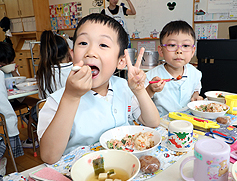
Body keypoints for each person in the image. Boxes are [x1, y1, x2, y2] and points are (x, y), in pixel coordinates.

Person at [37, 13, 160, 164]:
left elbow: (152, 122)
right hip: (83, 173)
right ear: (72, 55)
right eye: (83, 43)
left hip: (125, 165)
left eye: (103, 45)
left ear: (120, 61)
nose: (90, 52)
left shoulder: (123, 87)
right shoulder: (57, 100)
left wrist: (140, 91)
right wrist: (71, 97)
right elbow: (49, 156)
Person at [21, 30, 73, 149]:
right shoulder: (76, 69)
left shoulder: (44, 72)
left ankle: (32, 140)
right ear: (69, 51)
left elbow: (42, 98)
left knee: (33, 109)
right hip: (73, 112)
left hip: (51, 116)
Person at [145, 20, 204, 117]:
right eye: (172, 45)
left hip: (187, 122)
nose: (179, 51)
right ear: (161, 51)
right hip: (161, 125)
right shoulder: (151, 77)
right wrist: (150, 90)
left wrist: (196, 95)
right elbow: (139, 103)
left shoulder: (195, 73)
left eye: (185, 46)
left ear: (193, 51)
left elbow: (196, 88)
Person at [0, 42, 24, 174]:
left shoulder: (9, 72)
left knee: (30, 104)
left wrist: (15, 71)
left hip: (15, 100)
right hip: (4, 106)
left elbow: (19, 83)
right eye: (4, 63)